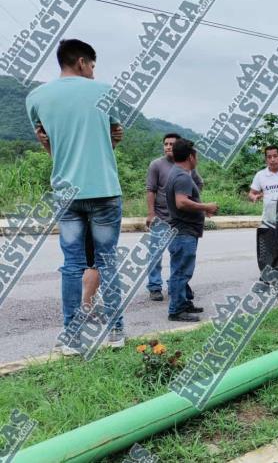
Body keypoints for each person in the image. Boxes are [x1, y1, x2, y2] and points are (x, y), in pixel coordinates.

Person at [27, 39, 126, 350]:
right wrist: (114, 140)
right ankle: (116, 333)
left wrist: (48, 143)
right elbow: (109, 140)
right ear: (82, 62)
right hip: (105, 191)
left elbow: (53, 149)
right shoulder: (106, 92)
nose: (94, 73)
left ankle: (72, 338)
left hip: (67, 193)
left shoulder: (35, 98)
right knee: (107, 261)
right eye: (92, 66)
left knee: (72, 264)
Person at [145, 133, 204, 301]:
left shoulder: (187, 166)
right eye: (166, 144)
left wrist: (192, 199)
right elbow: (150, 190)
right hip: (161, 217)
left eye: (172, 144)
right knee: (155, 254)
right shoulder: (156, 165)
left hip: (178, 219)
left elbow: (199, 182)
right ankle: (155, 286)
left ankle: (176, 285)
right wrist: (151, 213)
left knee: (178, 254)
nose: (168, 147)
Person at [165, 139, 218, 322]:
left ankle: (185, 301)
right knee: (181, 271)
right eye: (196, 155)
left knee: (181, 269)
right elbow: (181, 202)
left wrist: (202, 210)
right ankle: (176, 310)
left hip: (181, 231)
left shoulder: (176, 173)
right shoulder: (182, 177)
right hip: (183, 232)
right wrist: (206, 206)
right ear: (190, 156)